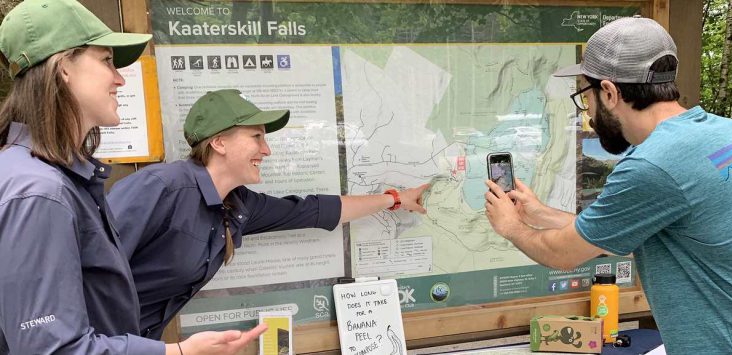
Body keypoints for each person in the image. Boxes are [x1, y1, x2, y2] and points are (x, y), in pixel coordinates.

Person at [0, 1, 265, 354]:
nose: (120, 78)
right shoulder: (38, 191)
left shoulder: (56, 179)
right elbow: (51, 348)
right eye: (107, 60)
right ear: (63, 68)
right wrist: (179, 352)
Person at [484, 16, 732, 354]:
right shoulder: (726, 132)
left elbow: (562, 254)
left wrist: (512, 226)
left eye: (585, 95)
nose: (586, 109)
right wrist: (540, 213)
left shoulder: (653, 165)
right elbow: (615, 231)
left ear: (609, 92)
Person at [108, 89, 429, 339]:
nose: (267, 150)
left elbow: (312, 211)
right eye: (256, 137)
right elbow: (88, 269)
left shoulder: (237, 206)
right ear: (219, 142)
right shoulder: (162, 187)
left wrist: (395, 199)